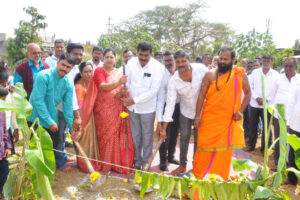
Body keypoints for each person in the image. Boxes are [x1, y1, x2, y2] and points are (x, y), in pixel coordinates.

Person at [193, 46, 251, 180]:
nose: (222, 61)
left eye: (226, 59)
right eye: (221, 58)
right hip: (208, 121)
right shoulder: (210, 74)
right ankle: (198, 182)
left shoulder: (239, 74)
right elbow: (201, 96)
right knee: (202, 152)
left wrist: (241, 111)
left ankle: (219, 183)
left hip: (228, 122)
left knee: (223, 153)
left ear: (233, 60)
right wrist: (197, 116)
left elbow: (248, 93)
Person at [82, 49, 134, 173]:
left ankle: (114, 164)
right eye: (107, 57)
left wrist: (122, 92)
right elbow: (102, 87)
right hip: (102, 109)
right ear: (103, 59)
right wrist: (118, 82)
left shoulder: (118, 72)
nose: (109, 59)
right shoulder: (99, 71)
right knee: (104, 136)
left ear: (115, 59)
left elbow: (120, 92)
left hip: (116, 107)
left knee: (115, 136)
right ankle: (104, 164)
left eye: (112, 57)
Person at [28, 53, 80, 171]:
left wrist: (72, 129)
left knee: (51, 149)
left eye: (68, 67)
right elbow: (38, 101)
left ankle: (49, 176)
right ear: (58, 63)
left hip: (52, 120)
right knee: (36, 151)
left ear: (71, 69)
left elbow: (67, 108)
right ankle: (35, 177)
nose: (64, 68)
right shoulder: (43, 76)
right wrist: (49, 121)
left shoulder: (68, 84)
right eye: (63, 65)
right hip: (35, 118)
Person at [160, 50, 208, 175]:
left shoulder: (201, 69)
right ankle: (182, 165)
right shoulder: (174, 81)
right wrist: (164, 128)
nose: (180, 64)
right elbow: (170, 105)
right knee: (184, 138)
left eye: (183, 61)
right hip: (185, 112)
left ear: (189, 60)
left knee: (199, 139)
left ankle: (197, 165)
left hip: (203, 111)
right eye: (178, 62)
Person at [123, 41, 164, 170]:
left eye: (146, 55)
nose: (143, 58)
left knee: (147, 138)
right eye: (141, 54)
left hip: (148, 109)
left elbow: (154, 91)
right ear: (137, 53)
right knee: (135, 136)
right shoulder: (131, 63)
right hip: (132, 108)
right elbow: (128, 82)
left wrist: (135, 99)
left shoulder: (158, 67)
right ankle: (137, 161)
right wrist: (125, 92)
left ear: (151, 54)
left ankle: (146, 163)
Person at [271, 57, 300, 170]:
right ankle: (278, 163)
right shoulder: (278, 79)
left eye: (290, 66)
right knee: (279, 140)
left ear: (296, 67)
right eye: (286, 66)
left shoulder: (299, 79)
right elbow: (273, 96)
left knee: (292, 142)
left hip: (294, 118)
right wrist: (272, 111)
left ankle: (291, 165)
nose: (288, 68)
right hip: (279, 115)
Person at [246, 54, 278, 152]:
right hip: (254, 104)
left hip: (267, 105)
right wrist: (256, 98)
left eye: (268, 61)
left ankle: (265, 148)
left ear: (271, 62)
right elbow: (250, 87)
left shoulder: (275, 74)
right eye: (264, 61)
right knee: (252, 125)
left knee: (267, 126)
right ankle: (251, 145)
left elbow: (275, 90)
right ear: (262, 62)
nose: (266, 63)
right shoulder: (255, 73)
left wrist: (266, 99)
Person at [156, 51, 180, 171]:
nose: (167, 63)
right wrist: (160, 120)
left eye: (170, 60)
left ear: (174, 60)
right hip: (166, 106)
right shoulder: (162, 74)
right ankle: (163, 162)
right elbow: (160, 99)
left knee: (175, 135)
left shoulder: (180, 72)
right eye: (165, 61)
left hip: (179, 107)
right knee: (165, 135)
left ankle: (171, 157)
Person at [73, 62, 99, 172]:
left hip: (90, 116)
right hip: (83, 117)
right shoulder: (79, 86)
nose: (89, 74)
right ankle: (84, 165)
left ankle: (87, 162)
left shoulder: (91, 83)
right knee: (84, 141)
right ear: (81, 73)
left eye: (90, 71)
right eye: (86, 72)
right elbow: (80, 107)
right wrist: (82, 125)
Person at [0, 66, 19, 154]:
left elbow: (13, 112)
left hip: (7, 130)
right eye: (1, 82)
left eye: (5, 82)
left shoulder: (9, 94)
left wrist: (15, 128)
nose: (3, 85)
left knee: (8, 154)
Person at [286, 77, 300, 185]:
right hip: (295, 123)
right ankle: (291, 179)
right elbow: (291, 103)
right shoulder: (297, 84)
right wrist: (288, 122)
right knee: (292, 153)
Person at [0, 86, 12, 198]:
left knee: (4, 173)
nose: (2, 102)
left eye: (4, 100)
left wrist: (8, 147)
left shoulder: (2, 112)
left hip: (1, 152)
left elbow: (5, 130)